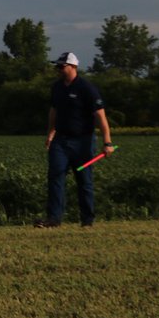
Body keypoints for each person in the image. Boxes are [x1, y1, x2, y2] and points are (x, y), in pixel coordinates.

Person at [36, 51, 113, 228]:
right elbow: (53, 111)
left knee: (84, 180)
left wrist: (107, 142)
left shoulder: (87, 88)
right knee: (55, 177)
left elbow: (100, 116)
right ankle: (54, 219)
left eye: (62, 66)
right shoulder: (57, 87)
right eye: (58, 66)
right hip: (60, 142)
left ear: (73, 67)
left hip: (83, 142)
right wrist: (50, 134)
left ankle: (87, 220)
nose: (59, 69)